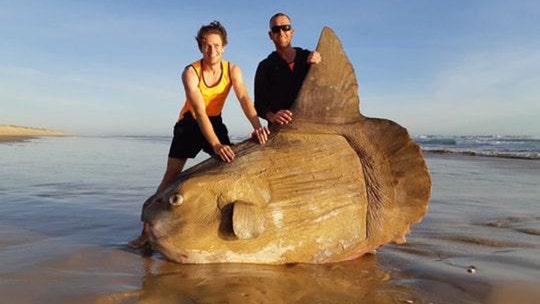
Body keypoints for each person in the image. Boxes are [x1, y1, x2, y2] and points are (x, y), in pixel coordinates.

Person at [128, 21, 269, 249]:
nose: (211, 50)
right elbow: (200, 111)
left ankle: (217, 224)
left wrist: (257, 125)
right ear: (200, 48)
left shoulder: (232, 70)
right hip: (190, 123)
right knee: (172, 174)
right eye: (206, 46)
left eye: (215, 45)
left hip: (215, 120)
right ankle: (146, 231)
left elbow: (244, 98)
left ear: (224, 47)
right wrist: (215, 144)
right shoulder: (190, 72)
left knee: (230, 164)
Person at [254, 13, 322, 126]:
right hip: (282, 130)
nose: (281, 33)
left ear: (292, 32)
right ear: (270, 35)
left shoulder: (309, 58)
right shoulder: (265, 66)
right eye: (276, 29)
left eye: (285, 28)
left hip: (312, 125)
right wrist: (273, 116)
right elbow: (260, 105)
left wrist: (321, 64)